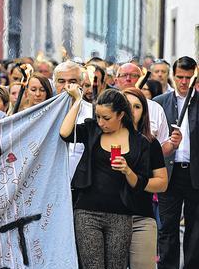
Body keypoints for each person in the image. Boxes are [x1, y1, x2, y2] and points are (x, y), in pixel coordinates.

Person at [60, 87, 151, 269]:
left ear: (121, 115)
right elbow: (65, 133)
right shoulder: (93, 129)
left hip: (121, 213)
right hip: (87, 211)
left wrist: (127, 170)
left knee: (116, 266)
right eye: (98, 116)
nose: (101, 122)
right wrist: (78, 101)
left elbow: (141, 182)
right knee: (92, 265)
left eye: (106, 118)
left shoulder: (139, 141)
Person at [122, 87, 177, 269]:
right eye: (127, 106)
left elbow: (162, 183)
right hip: (110, 215)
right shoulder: (104, 137)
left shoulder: (150, 142)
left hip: (141, 215)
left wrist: (135, 179)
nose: (132, 111)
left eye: (137, 107)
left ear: (144, 112)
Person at [154, 56, 199, 269]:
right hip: (169, 172)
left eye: (188, 78)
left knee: (195, 229)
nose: (183, 82)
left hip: (195, 173)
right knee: (167, 228)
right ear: (173, 76)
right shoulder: (161, 102)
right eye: (180, 77)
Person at [114, 63, 169, 145]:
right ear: (116, 81)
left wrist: (172, 145)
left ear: (142, 79)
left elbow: (162, 144)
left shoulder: (155, 108)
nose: (128, 79)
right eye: (124, 75)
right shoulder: (109, 105)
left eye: (133, 75)